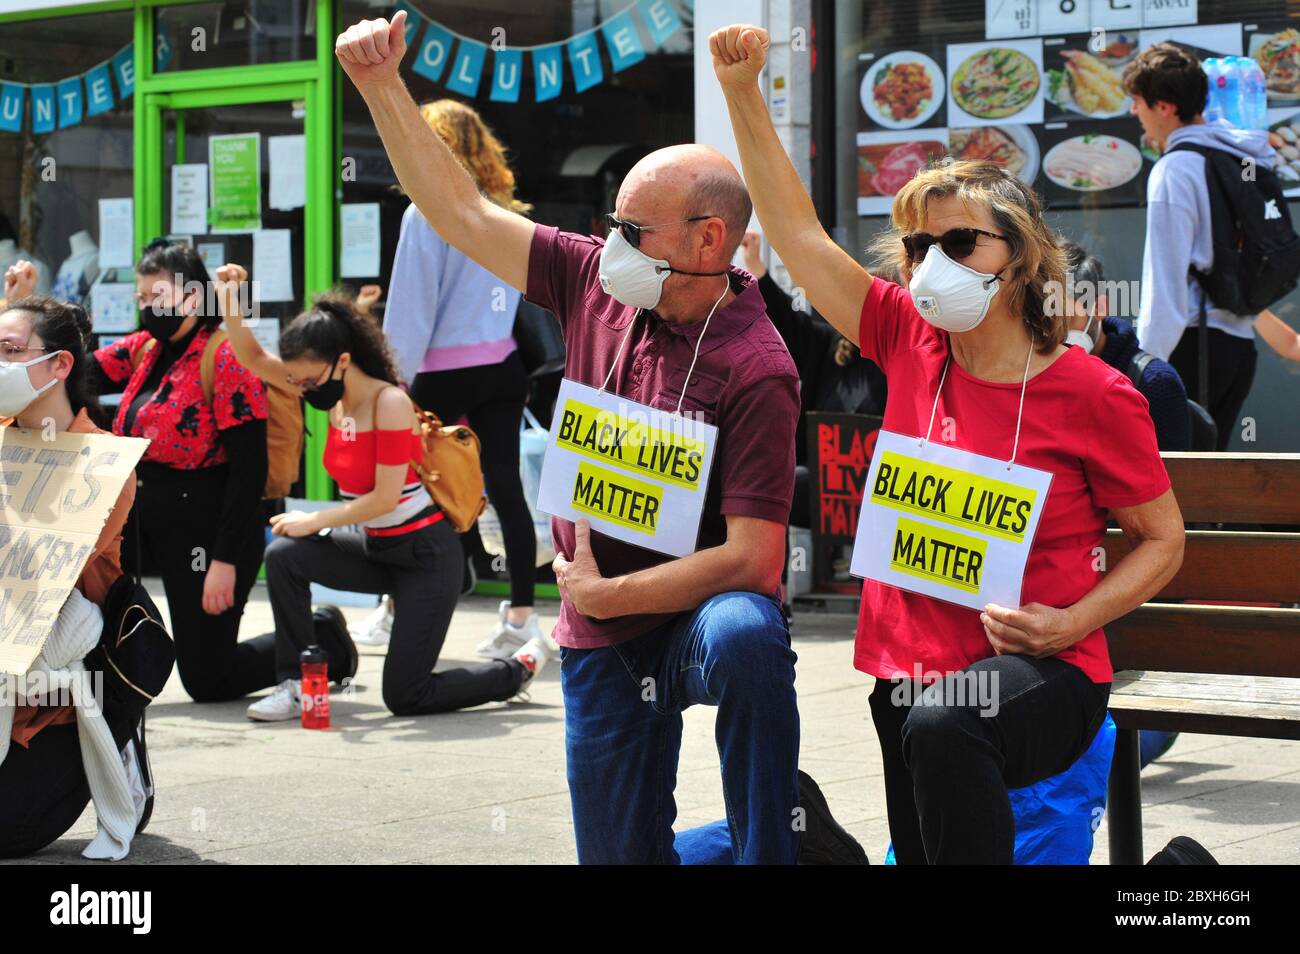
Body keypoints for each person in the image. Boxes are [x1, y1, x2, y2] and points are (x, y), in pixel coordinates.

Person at [338, 12, 805, 864]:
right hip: (600, 630)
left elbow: (755, 562)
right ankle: (763, 841)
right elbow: (462, 211)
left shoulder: (758, 363)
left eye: (637, 231)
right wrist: (381, 87)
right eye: (612, 222)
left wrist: (611, 595)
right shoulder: (595, 278)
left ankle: (770, 846)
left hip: (687, 609)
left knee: (748, 634)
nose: (612, 245)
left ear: (709, 240)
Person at [712, 23, 1186, 863]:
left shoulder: (1093, 392)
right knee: (925, 796)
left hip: (1046, 670)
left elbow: (1163, 540)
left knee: (945, 723)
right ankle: (1181, 876)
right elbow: (797, 235)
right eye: (920, 245)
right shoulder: (905, 336)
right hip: (905, 668)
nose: (933, 261)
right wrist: (745, 93)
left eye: (960, 241)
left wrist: (1070, 619)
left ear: (1022, 257)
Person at [209, 266, 549, 721]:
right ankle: (295, 683)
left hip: (426, 555)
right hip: (376, 550)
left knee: (406, 695)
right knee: (285, 555)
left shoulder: (390, 402)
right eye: (298, 382)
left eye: (310, 381)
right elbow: (251, 356)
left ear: (343, 362)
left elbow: (385, 498)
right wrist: (230, 298)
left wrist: (315, 519)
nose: (304, 390)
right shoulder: (329, 394)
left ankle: (514, 668)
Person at [0, 295, 173, 858]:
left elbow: (48, 571)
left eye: (9, 351)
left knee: (11, 832)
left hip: (63, 654)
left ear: (60, 365)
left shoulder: (102, 460)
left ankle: (116, 734)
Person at [371, 99, 543, 659]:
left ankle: (399, 608)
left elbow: (413, 307)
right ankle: (521, 617)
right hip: (504, 365)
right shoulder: (505, 212)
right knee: (505, 488)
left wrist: (391, 377)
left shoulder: (427, 212)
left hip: (444, 370)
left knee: (406, 487)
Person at [88, 238, 280, 704]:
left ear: (193, 296)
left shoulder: (227, 354)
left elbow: (250, 471)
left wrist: (225, 562)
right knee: (93, 604)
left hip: (206, 526)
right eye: (141, 298)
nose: (147, 308)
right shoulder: (146, 349)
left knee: (207, 680)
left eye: (158, 296)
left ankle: (319, 640)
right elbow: (76, 374)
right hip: (143, 516)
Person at [1124, 43, 1276, 450]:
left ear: (1164, 106)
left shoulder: (1175, 169)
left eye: (1137, 102)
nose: (1133, 112)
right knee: (1208, 478)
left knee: (1173, 482)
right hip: (1239, 348)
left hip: (1192, 348)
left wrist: (1145, 365)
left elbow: (1166, 282)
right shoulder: (1235, 153)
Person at [740, 230, 886, 528]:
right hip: (826, 482)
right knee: (766, 492)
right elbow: (789, 322)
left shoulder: (900, 359)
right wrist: (756, 268)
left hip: (878, 489)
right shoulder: (827, 345)